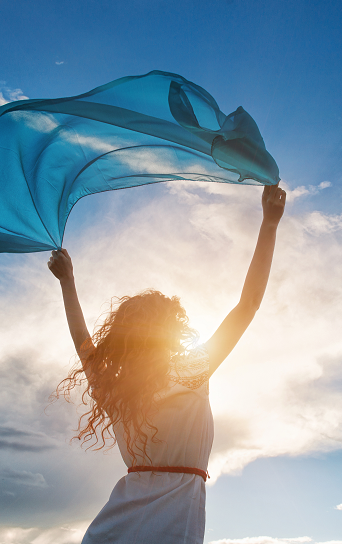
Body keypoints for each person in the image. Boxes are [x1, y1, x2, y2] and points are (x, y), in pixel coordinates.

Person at [47, 184, 287, 544]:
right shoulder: (191, 371)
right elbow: (247, 305)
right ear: (172, 332)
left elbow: (84, 345)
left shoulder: (119, 392)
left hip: (111, 529)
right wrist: (269, 224)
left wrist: (68, 282)